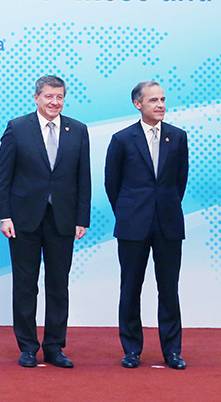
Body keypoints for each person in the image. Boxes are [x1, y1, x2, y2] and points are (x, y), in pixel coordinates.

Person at [0, 75, 91, 368]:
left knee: (58, 285)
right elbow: (4, 175)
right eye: (49, 96)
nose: (54, 102)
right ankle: (27, 347)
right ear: (36, 97)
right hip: (23, 219)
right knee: (25, 285)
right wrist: (5, 216)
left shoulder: (78, 130)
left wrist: (82, 218)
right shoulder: (17, 127)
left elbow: (83, 177)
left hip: (63, 220)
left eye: (59, 97)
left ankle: (54, 347)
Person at [104, 81, 189, 370]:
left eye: (163, 99)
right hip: (132, 224)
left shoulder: (178, 137)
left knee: (169, 289)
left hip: (168, 223)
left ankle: (172, 351)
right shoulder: (122, 139)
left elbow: (179, 181)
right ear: (138, 104)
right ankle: (131, 350)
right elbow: (112, 183)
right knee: (130, 288)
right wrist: (128, 212)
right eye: (153, 100)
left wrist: (165, 206)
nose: (161, 105)